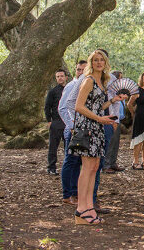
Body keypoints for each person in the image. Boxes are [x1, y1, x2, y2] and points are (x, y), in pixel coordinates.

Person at [70, 49, 122, 225]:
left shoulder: (102, 82)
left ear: (105, 63)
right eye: (96, 60)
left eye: (102, 60)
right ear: (91, 63)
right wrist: (100, 118)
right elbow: (79, 106)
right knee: (86, 168)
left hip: (98, 126)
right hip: (87, 128)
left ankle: (89, 207)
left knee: (94, 167)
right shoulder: (89, 80)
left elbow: (97, 106)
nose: (99, 62)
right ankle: (80, 210)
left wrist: (113, 101)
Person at [58, 60, 87, 205]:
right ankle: (66, 194)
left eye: (83, 70)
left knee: (78, 163)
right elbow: (62, 108)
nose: (81, 72)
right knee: (70, 162)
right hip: (72, 131)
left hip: (83, 130)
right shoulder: (71, 86)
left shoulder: (85, 85)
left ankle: (75, 193)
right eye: (78, 70)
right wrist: (71, 126)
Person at [102, 71, 126, 174]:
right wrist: (114, 120)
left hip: (118, 118)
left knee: (115, 142)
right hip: (110, 118)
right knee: (109, 141)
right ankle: (106, 165)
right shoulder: (109, 88)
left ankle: (113, 162)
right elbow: (111, 105)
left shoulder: (119, 90)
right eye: (120, 78)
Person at [45, 69, 68, 175]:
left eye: (62, 76)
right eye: (58, 76)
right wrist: (49, 121)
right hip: (56, 121)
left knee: (68, 146)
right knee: (53, 146)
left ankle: (68, 167)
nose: (60, 78)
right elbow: (47, 107)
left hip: (67, 121)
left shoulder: (69, 90)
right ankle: (51, 167)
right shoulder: (52, 92)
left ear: (66, 77)